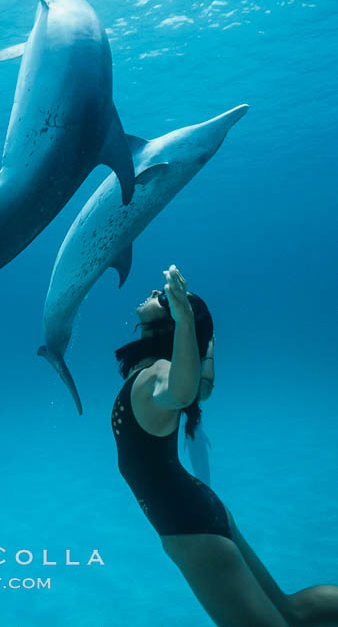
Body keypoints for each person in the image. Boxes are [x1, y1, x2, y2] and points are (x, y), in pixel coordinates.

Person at [112, 264, 338, 627]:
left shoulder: (158, 374)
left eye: (163, 296)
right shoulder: (161, 367)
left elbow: (184, 390)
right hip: (197, 510)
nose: (155, 294)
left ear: (172, 320)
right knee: (292, 613)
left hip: (190, 527)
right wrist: (204, 335)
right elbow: (202, 385)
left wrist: (188, 320)